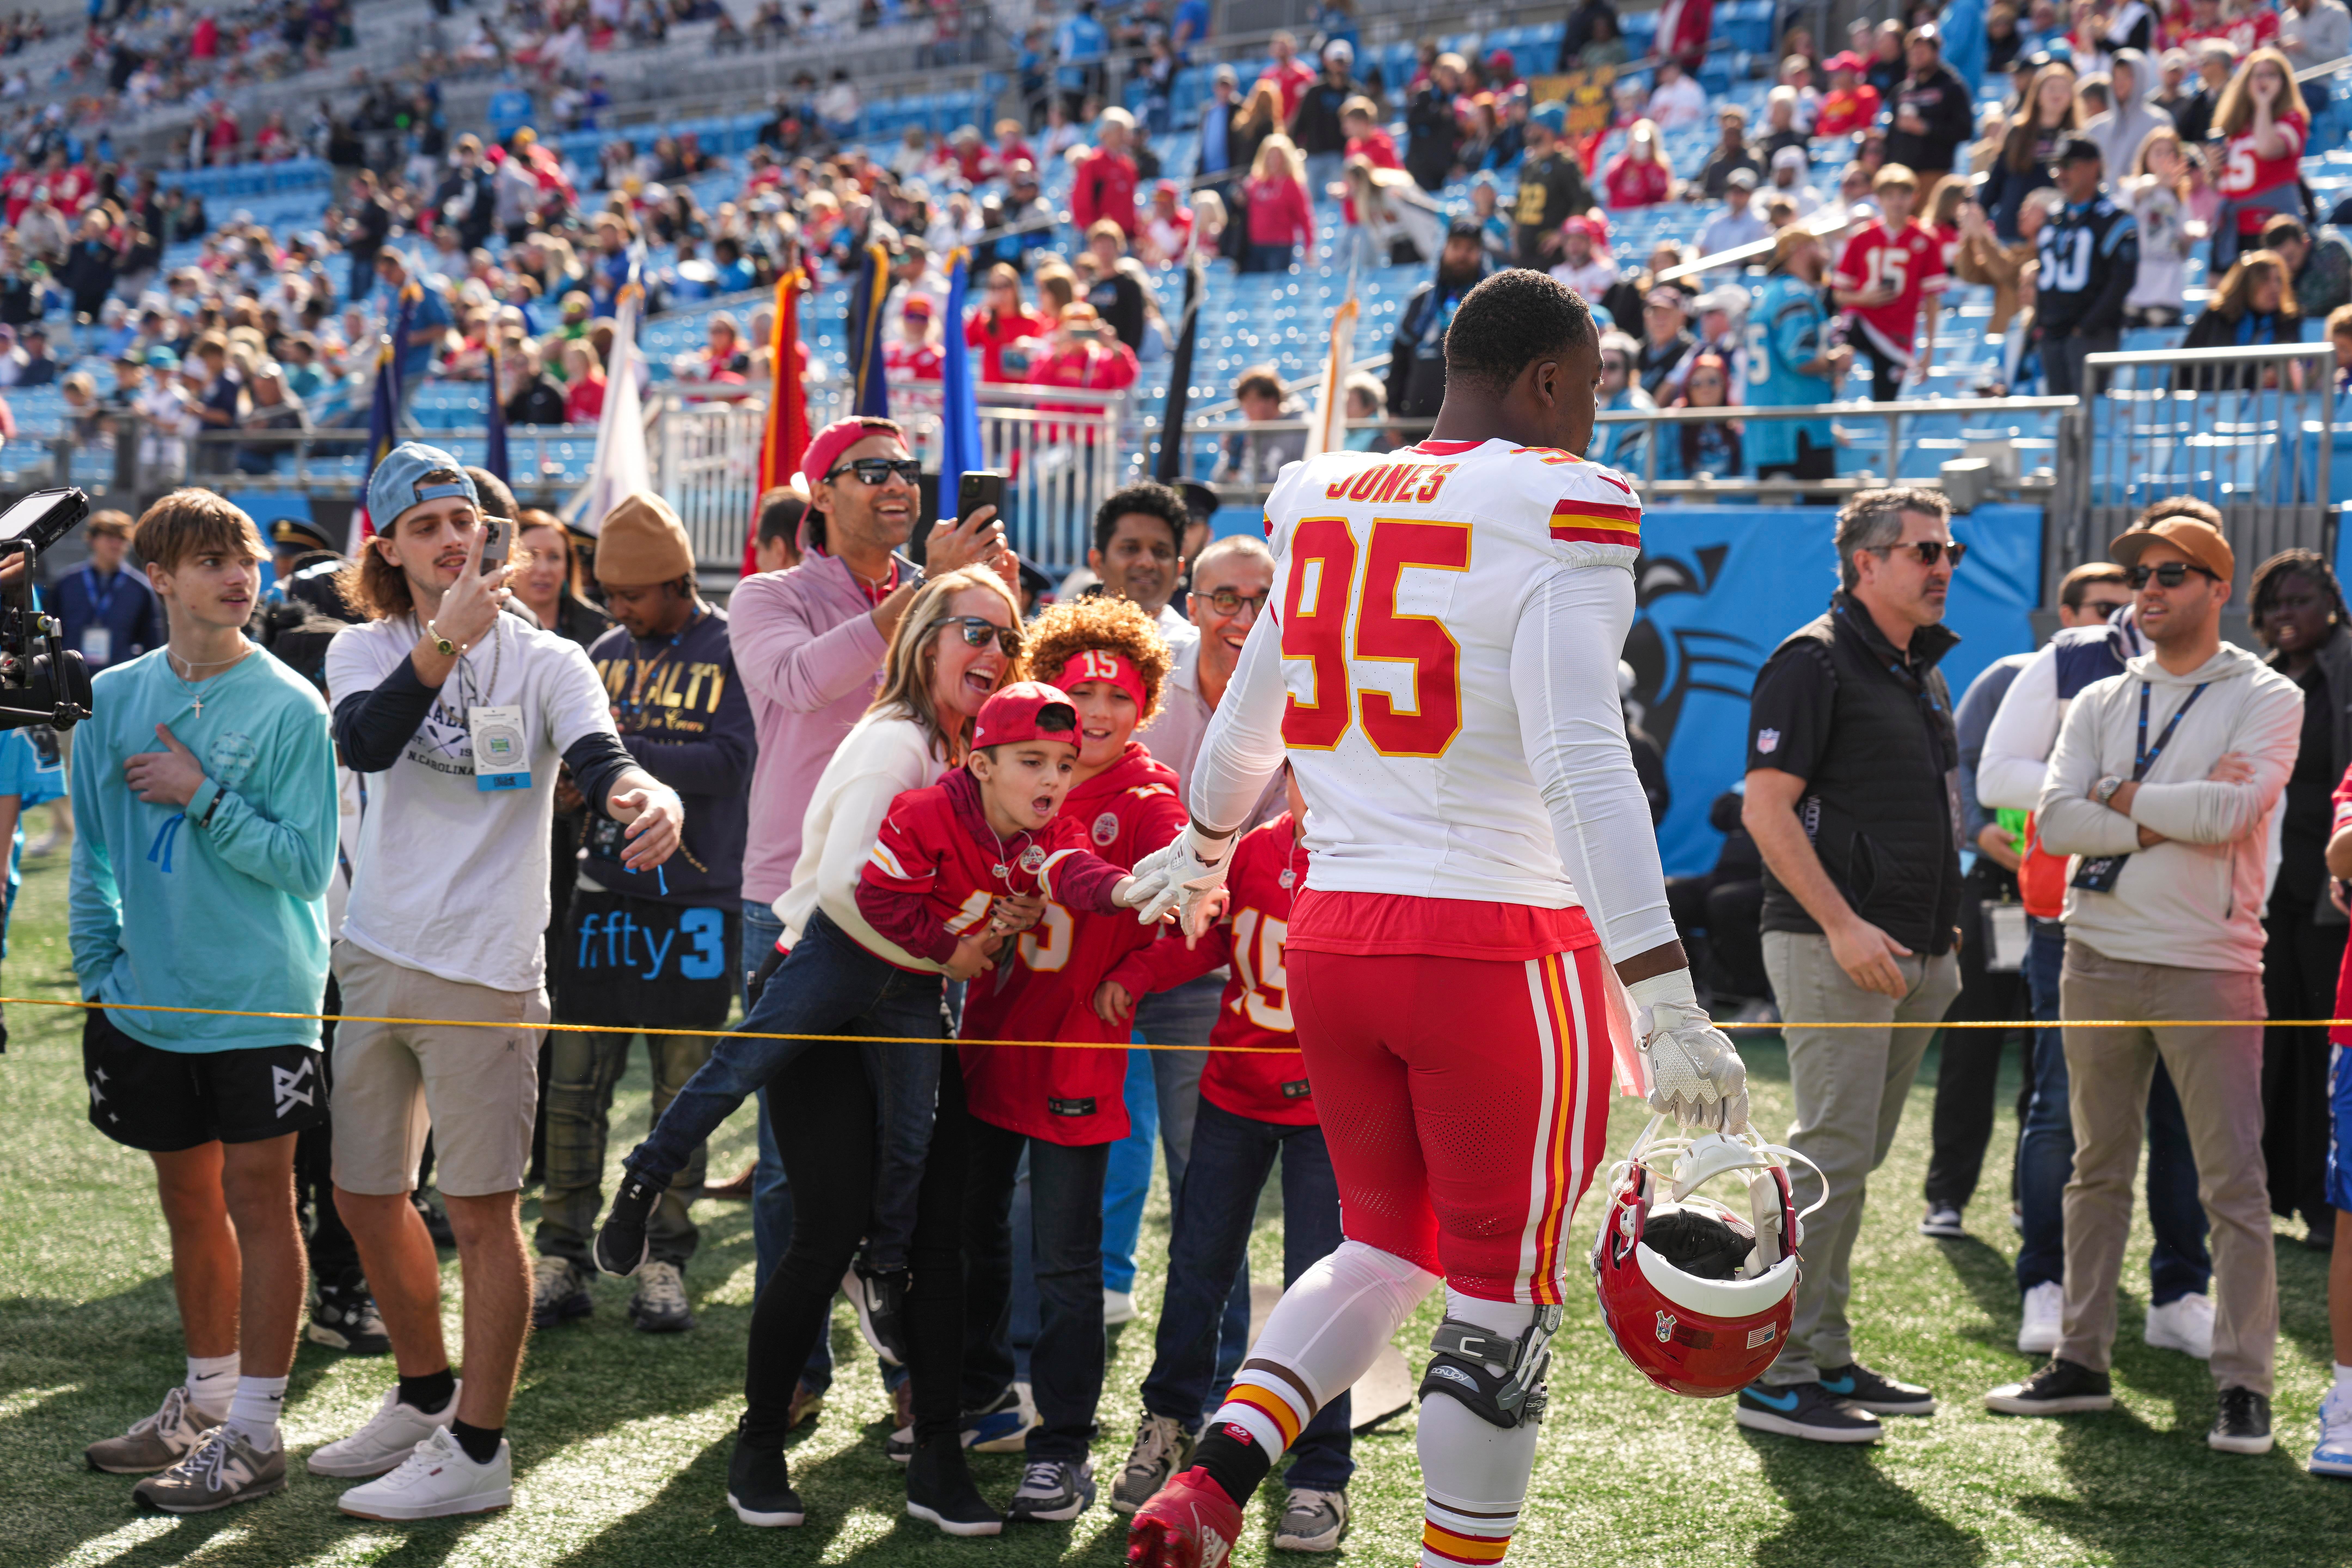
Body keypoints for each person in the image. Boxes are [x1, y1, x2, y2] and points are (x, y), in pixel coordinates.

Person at [1119, 267, 1747, 1568]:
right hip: (1495, 949)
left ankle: (1212, 1481)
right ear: (1553, 380)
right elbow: (1581, 754)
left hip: (1334, 935)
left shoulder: (1326, 488)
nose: (1597, 419)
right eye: (1594, 390)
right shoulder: (1563, 497)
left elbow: (1250, 719)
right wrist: (1667, 993)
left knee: (1383, 1247)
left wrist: (1203, 843)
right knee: (1498, 1299)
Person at [603, 572, 1044, 1534]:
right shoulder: (895, 741)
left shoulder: (971, 754)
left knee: (934, 1236)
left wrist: (996, 917)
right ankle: (758, 1448)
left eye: (1011, 638)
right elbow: (848, 892)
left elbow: (954, 892)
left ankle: (935, 1459)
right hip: (831, 990)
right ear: (926, 639)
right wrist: (954, 945)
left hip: (912, 1000)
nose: (997, 653)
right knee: (823, 1229)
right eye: (977, 631)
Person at [308, 446, 684, 1520]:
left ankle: (478, 1448)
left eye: (463, 519)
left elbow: (604, 757)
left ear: (491, 534)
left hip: (489, 970)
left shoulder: (551, 659)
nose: (451, 538)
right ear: (387, 547)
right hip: (376, 952)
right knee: (365, 1194)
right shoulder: (362, 648)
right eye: (424, 525)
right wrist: (441, 645)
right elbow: (366, 744)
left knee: (480, 1212)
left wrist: (643, 798)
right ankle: (424, 1398)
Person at [1985, 512, 2299, 1458]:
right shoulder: (2102, 699)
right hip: (2097, 952)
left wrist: (2116, 799)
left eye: (2171, 574)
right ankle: (2081, 1360)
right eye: (2139, 575)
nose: (2148, 590)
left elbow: (2233, 809)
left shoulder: (2266, 694)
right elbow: (2056, 823)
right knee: (2095, 1169)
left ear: (2217, 588)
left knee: (2233, 1186)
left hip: (2211, 961)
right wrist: (2148, 814)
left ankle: (2244, 1385)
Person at [722, 416, 1009, 1440]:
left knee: (915, 1145)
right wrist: (920, 598)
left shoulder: (952, 594)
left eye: (906, 470)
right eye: (872, 470)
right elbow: (800, 682)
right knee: (795, 1160)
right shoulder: (769, 595)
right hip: (793, 898)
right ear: (821, 495)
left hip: (935, 896)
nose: (898, 484)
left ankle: (910, 1361)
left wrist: (991, 612)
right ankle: (794, 1362)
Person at [70, 491, 338, 1512]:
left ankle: (258, 1431)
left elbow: (308, 866)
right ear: (161, 578)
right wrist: (100, 963)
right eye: (212, 559)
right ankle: (205, 1398)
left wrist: (201, 792)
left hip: (262, 996)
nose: (240, 575)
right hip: (146, 1001)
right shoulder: (114, 694)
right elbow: (91, 849)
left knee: (261, 1202)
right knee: (187, 1200)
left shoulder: (288, 704)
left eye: (247, 557)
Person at [1737, 488, 1965, 1443]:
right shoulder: (1813, 660)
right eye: (1922, 551)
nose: (1942, 565)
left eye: (1950, 549)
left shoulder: (1919, 670)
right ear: (1865, 563)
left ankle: (1824, 1351)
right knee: (1829, 1156)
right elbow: (1766, 809)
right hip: (1835, 943)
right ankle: (1770, 1371)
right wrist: (1842, 927)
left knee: (1852, 1161)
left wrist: (1938, 939)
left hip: (1916, 952)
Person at [1099, 767, 1353, 1550]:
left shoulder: (1378, 861)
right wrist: (1136, 974)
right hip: (1234, 1093)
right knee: (1198, 1264)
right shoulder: (1248, 852)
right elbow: (1203, 937)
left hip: (1328, 1110)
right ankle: (1170, 1423)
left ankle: (1321, 1471)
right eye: (1307, 773)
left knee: (1329, 1288)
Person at [529, 494, 754, 1337]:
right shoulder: (603, 652)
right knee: (575, 1086)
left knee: (682, 1095)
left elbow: (730, 764)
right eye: (613, 596)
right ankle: (560, 1251)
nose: (617, 609)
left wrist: (614, 760)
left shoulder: (732, 647)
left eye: (633, 596)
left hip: (697, 905)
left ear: (676, 582)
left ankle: (665, 1258)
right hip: (602, 896)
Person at [1920, 561, 2133, 1244]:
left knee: (2050, 1057)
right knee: (1971, 1048)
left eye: (2124, 606)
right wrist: (1980, 831)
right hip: (1995, 888)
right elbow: (1958, 770)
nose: (2117, 618)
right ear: (2065, 615)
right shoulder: (2014, 675)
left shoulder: (2140, 686)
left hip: (2081, 895)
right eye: (2102, 605)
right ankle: (1946, 1196)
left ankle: (2028, 1201)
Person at [2247, 550, 2352, 1245]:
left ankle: (2324, 1200)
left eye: (2298, 600)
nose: (2285, 614)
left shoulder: (2347, 671)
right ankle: (2270, 1189)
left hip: (2330, 893)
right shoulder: (2261, 682)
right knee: (2269, 1039)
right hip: (2266, 891)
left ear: (2331, 604)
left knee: (2320, 1040)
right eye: (2273, 604)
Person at [1832, 164, 1948, 400]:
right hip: (1862, 321)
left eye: (1903, 195)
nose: (1897, 202)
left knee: (1886, 404)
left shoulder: (1926, 239)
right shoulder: (1861, 236)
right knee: (1834, 349)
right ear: (1879, 199)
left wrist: (1929, 350)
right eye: (1890, 196)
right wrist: (1861, 299)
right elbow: (1838, 293)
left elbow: (1934, 298)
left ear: (1914, 198)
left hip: (1898, 334)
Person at [2035, 138, 2140, 396]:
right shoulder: (2055, 216)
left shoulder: (2115, 218)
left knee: (2087, 416)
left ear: (2094, 168)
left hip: (2091, 336)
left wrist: (2087, 326)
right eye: (2056, 167)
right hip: (2053, 334)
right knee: (2061, 420)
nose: (2061, 174)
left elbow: (2122, 280)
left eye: (2068, 166)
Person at [1747, 228, 1851, 482]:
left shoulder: (1768, 294)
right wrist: (1837, 361)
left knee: (1775, 516)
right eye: (1818, 246)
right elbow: (1800, 357)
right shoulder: (1796, 294)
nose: (1825, 256)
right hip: (1800, 430)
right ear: (1800, 249)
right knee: (1817, 514)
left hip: (1769, 429)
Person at [2210, 49, 2308, 272]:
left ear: (2284, 82)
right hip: (2235, 231)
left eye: (2272, 75)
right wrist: (2213, 171)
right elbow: (2222, 185)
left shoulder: (2292, 119)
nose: (2264, 81)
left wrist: (2264, 104)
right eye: (2258, 75)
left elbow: (2266, 149)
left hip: (2272, 227)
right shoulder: (2235, 128)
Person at [1387, 220, 1487, 421]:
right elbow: (1400, 357)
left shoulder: (1491, 302)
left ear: (1481, 254)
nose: (1462, 255)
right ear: (1444, 249)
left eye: (1470, 249)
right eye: (1456, 247)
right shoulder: (1422, 301)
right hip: (1418, 421)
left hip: (1474, 424)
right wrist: (1393, 411)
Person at [54, 509, 167, 679]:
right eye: (109, 538)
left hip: (121, 679)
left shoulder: (140, 588)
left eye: (122, 539)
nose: (116, 545)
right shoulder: (67, 583)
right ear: (91, 540)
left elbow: (152, 643)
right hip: (71, 676)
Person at [1088, 482, 1195, 650]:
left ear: (1179, 571)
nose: (1147, 563)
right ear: (1097, 562)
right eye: (1130, 549)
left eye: (1161, 552)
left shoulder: (1198, 653)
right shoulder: (1063, 646)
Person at [1513, 102, 1595, 266]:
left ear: (1548, 130)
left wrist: (1561, 234)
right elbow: (1520, 206)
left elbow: (1584, 202)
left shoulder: (1565, 164)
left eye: (1534, 125)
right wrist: (1516, 236)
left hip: (1550, 256)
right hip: (1525, 254)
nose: (1528, 130)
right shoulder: (1529, 165)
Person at [1886, 25, 1975, 174]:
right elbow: (1891, 136)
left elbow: (1965, 131)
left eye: (1922, 52)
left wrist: (1927, 128)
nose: (1917, 56)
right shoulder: (1901, 91)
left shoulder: (1952, 87)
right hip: (1903, 175)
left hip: (1936, 173)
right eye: (1913, 52)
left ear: (1936, 53)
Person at [2084, 48, 2172, 176]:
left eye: (2127, 76)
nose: (2120, 82)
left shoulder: (2159, 123)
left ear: (2141, 78)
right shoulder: (2095, 129)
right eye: (2116, 76)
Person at [1242, 134, 1314, 274]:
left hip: (1280, 246)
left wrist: (1309, 247)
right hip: (1255, 245)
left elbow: (1305, 218)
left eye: (1277, 157)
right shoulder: (1255, 183)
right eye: (1270, 156)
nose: (1273, 161)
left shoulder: (1292, 185)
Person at [2259, 215, 2352, 323]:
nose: (2285, 267)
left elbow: (2322, 302)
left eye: (2290, 258)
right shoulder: (2269, 271)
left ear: (2306, 243)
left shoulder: (2332, 252)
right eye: (2278, 262)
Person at [1072, 106, 1141, 240]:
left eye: (1125, 132)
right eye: (1119, 132)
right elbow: (1082, 200)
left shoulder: (1128, 165)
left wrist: (1135, 231)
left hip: (1126, 236)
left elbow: (1131, 204)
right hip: (1102, 238)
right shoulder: (1093, 164)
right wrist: (1092, 230)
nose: (1124, 137)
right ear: (1107, 134)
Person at [1603, 120, 1676, 209]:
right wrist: (1627, 162)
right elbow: (1610, 185)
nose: (1640, 147)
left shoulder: (1660, 167)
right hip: (1621, 213)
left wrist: (1642, 171)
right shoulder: (1622, 163)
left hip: (1647, 217)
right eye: (1637, 143)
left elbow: (1661, 196)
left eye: (1645, 144)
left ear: (1652, 145)